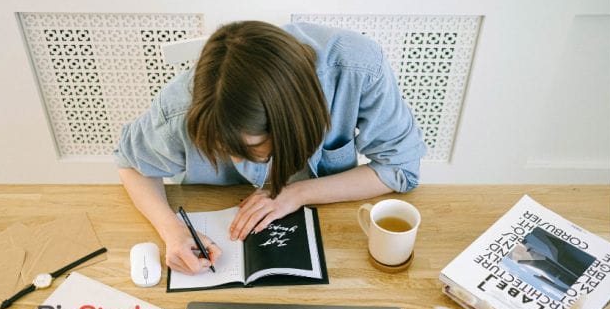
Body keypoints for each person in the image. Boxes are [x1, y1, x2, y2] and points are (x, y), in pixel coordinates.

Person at [114, 20, 426, 274]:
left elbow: (400, 168)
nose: (234, 159)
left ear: (291, 121)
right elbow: (131, 163)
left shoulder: (358, 67)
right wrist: (173, 231)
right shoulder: (181, 107)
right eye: (222, 147)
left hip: (337, 242)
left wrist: (296, 193)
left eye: (250, 148)